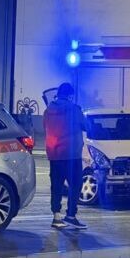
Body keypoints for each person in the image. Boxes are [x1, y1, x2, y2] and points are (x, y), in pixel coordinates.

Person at [43, 82, 89, 229]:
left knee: (56, 186)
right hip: (71, 155)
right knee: (75, 185)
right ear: (70, 95)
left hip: (54, 154)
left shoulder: (49, 109)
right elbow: (85, 126)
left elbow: (45, 126)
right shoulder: (74, 109)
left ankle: (56, 217)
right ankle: (70, 215)